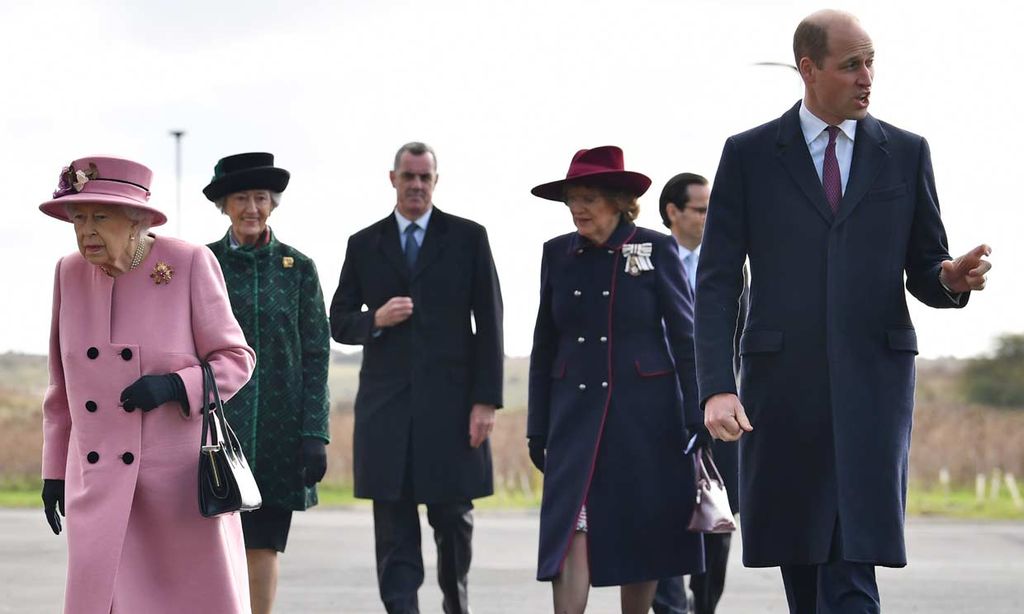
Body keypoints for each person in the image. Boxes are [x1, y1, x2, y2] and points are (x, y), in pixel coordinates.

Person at [695, 10, 992, 614]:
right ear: (809, 69)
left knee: (851, 565)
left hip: (873, 386)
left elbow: (927, 267)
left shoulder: (906, 153)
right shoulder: (749, 154)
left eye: (872, 61)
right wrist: (717, 388)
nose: (867, 77)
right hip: (783, 388)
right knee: (802, 563)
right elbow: (719, 280)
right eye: (852, 64)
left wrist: (949, 279)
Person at [38, 156, 256, 614]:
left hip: (175, 488)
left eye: (100, 217)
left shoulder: (188, 262)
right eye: (78, 218)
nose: (86, 231)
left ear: (137, 220)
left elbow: (237, 359)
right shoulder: (68, 273)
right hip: (98, 484)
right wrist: (54, 472)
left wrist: (176, 387)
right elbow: (61, 392)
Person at [527, 146, 704, 614]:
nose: (577, 209)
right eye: (572, 199)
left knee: (643, 535)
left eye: (588, 198)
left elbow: (686, 338)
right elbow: (545, 344)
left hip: (646, 421)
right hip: (573, 421)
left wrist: (696, 411)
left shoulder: (655, 247)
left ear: (618, 201)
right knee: (572, 530)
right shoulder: (556, 255)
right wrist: (537, 426)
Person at [329, 141, 504, 614]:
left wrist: (486, 401)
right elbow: (338, 319)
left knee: (453, 520)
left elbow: (490, 323)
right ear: (393, 180)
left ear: (435, 182)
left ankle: (455, 601)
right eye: (408, 176)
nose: (416, 185)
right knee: (393, 527)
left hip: (452, 411)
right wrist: (375, 320)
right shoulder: (364, 244)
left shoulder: (468, 237)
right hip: (386, 414)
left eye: (425, 177)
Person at [203, 152, 331, 614]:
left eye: (261, 197)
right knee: (211, 543)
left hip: (280, 433)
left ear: (274, 204)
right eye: (241, 198)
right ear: (224, 205)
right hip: (214, 430)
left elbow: (317, 354)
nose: (252, 207)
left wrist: (315, 433)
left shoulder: (299, 269)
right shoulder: (204, 264)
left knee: (263, 545)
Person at [653, 172, 741, 614]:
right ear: (673, 212)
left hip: (717, 418)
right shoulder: (645, 263)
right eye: (702, 209)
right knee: (659, 525)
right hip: (659, 417)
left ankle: (703, 608)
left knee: (717, 529)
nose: (711, 217)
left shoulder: (730, 271)